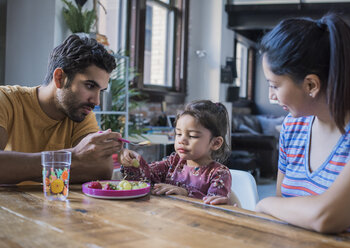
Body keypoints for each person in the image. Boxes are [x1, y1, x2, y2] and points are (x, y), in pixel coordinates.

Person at [255, 13, 350, 235]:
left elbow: (327, 216)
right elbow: (285, 207)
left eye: (275, 85)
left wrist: (264, 203)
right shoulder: (293, 127)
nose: (271, 96)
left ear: (311, 85)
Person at [0, 34, 123, 184]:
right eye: (90, 86)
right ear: (59, 78)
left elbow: (101, 170)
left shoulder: (80, 112)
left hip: (57, 206)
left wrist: (18, 172)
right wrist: (73, 156)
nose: (96, 101)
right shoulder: (5, 100)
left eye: (101, 91)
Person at [120, 100, 232, 205]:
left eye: (192, 136)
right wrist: (132, 162)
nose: (181, 140)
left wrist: (186, 193)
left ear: (216, 143)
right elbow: (145, 178)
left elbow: (216, 207)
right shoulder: (173, 162)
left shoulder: (219, 174)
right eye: (178, 134)